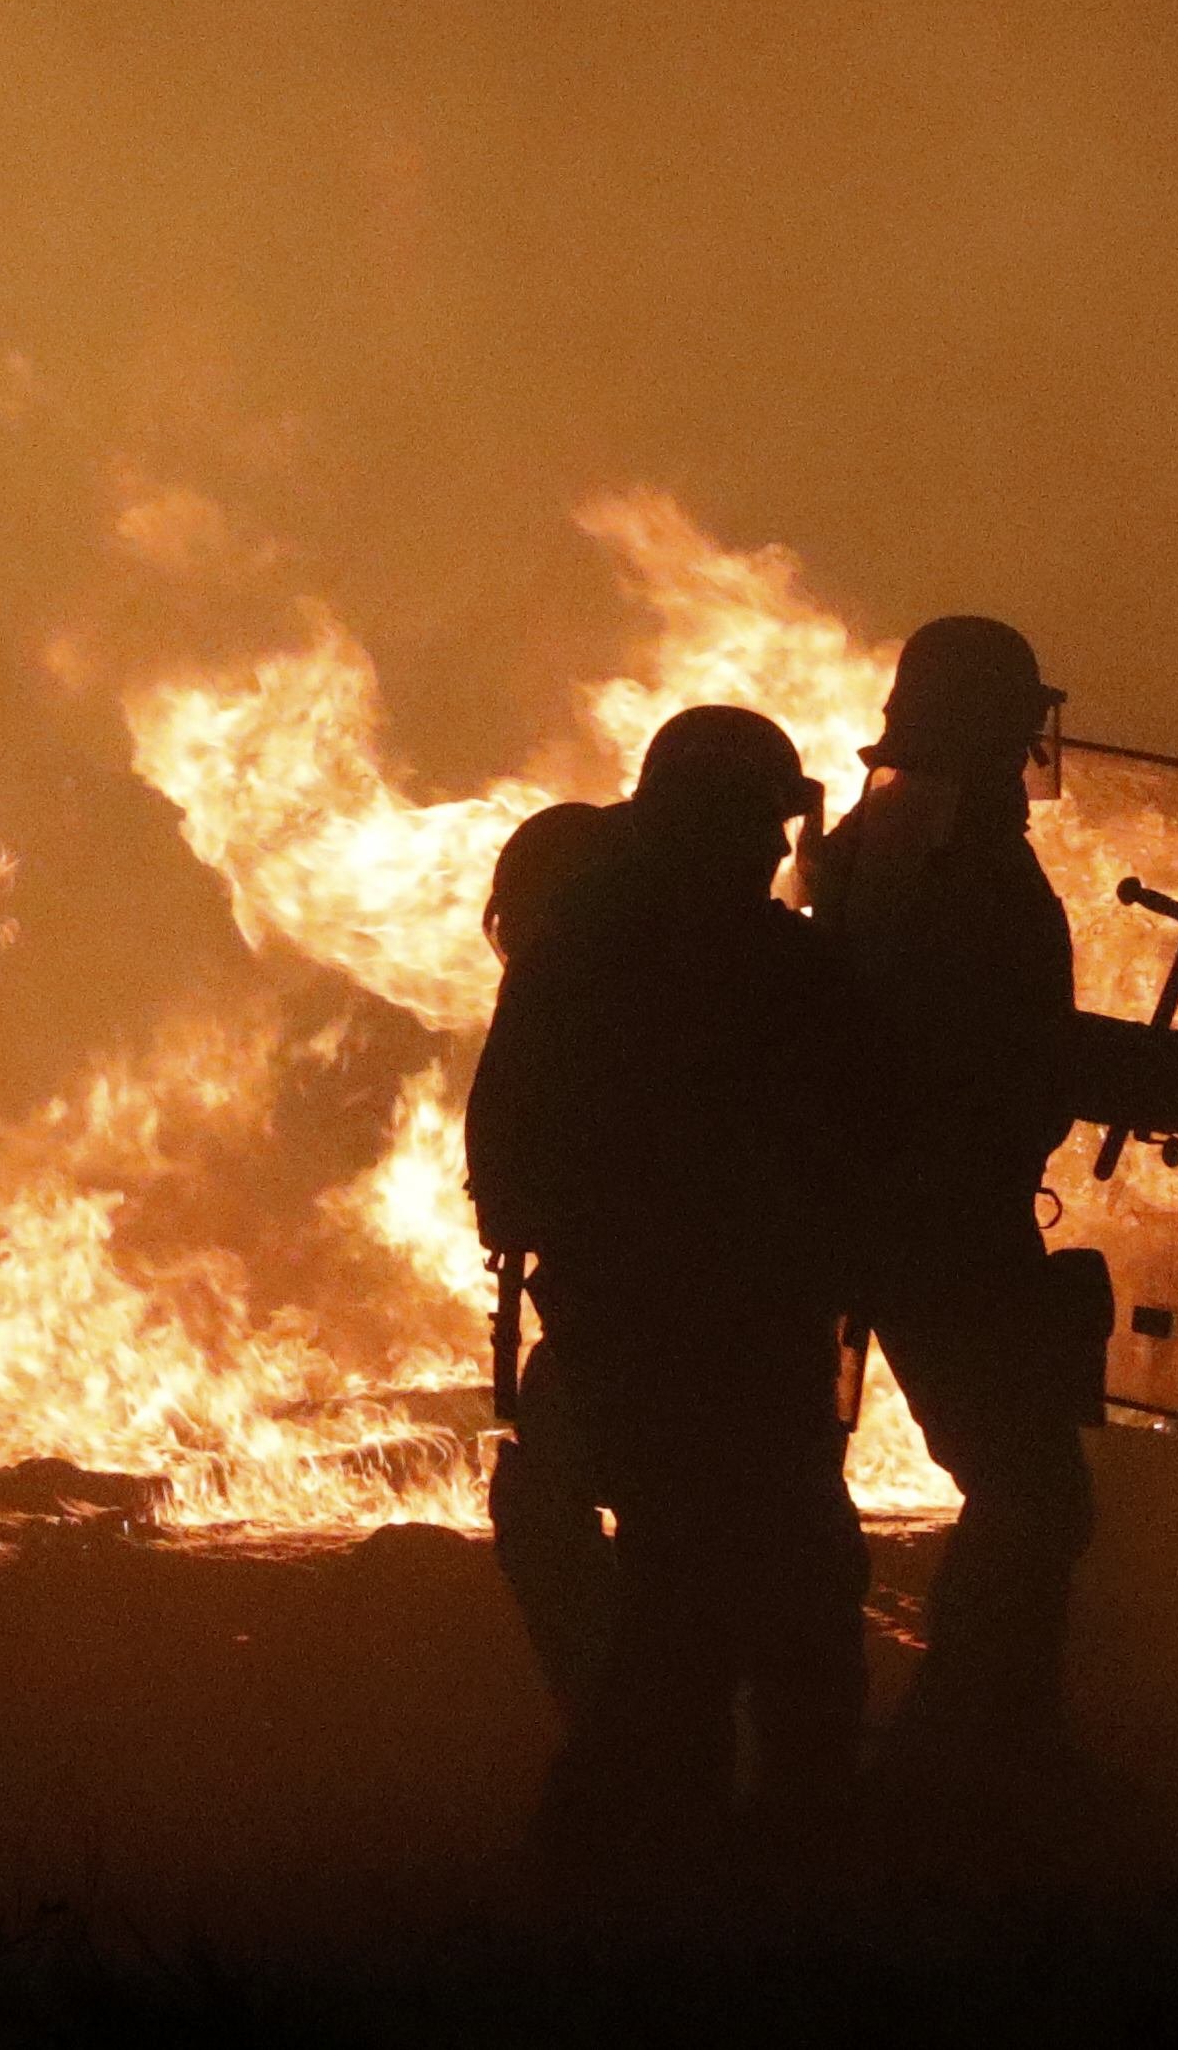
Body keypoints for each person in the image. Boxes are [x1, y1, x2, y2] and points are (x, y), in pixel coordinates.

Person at [467, 710, 871, 1852]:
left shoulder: (574, 957)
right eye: (756, 825)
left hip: (630, 1324)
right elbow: (860, 1131)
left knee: (694, 1577)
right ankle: (701, 1840)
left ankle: (655, 1833)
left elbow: (505, 1155)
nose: (768, 850)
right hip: (732, 1333)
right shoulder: (778, 970)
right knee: (760, 1588)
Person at [804, 616, 1085, 1793]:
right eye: (1017, 718)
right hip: (942, 1221)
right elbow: (943, 1036)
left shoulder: (896, 832)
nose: (1031, 743)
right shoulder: (939, 846)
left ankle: (975, 1746)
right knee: (1033, 1490)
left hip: (923, 1209)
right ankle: (960, 1758)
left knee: (1028, 1486)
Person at [466, 803, 633, 1778]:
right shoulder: (685, 971)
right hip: (657, 1319)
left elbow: (513, 1168)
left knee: (551, 1515)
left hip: (638, 1322)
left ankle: (629, 1762)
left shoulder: (567, 984)